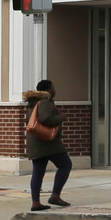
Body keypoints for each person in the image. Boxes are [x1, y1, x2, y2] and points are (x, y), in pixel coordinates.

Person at [23, 79, 71, 211]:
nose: (55, 90)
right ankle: (55, 196)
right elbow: (45, 119)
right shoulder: (44, 102)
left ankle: (35, 202)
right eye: (53, 88)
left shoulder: (33, 102)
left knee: (38, 172)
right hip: (47, 142)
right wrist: (61, 117)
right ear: (48, 90)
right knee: (65, 165)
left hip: (36, 142)